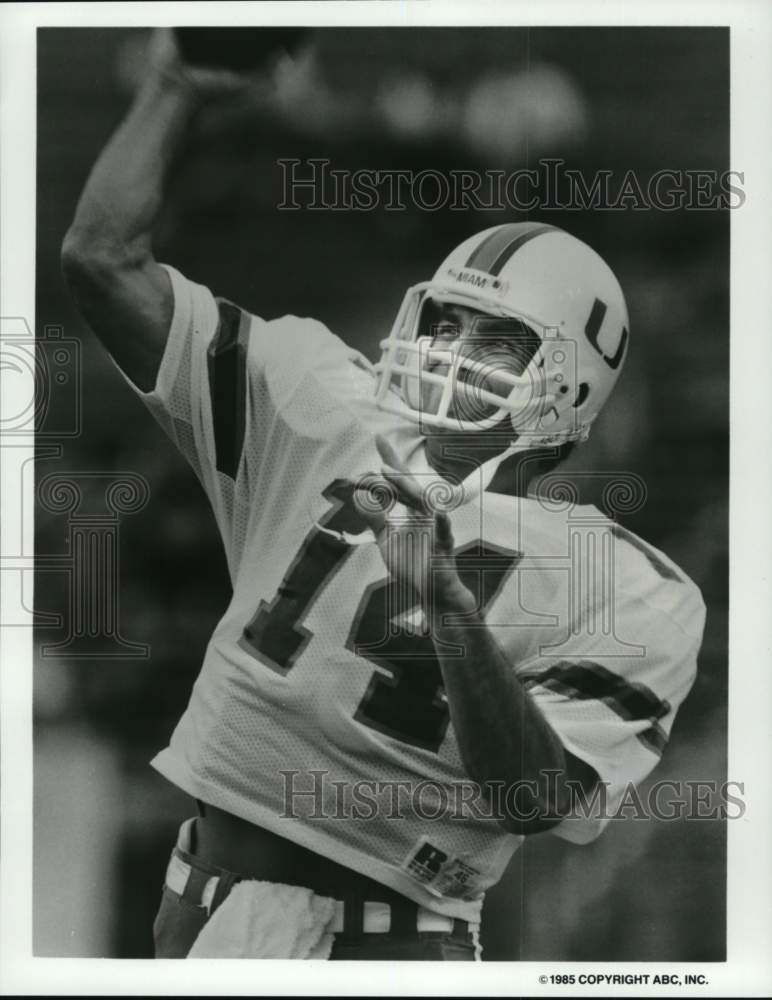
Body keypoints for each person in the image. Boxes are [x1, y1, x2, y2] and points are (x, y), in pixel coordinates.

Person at [61, 33, 705, 961]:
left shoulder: (631, 585)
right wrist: (172, 88)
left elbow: (538, 802)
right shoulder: (322, 405)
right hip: (199, 908)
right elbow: (100, 261)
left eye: (493, 339)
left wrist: (449, 611)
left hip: (389, 940)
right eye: (445, 319)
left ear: (567, 385)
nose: (449, 347)